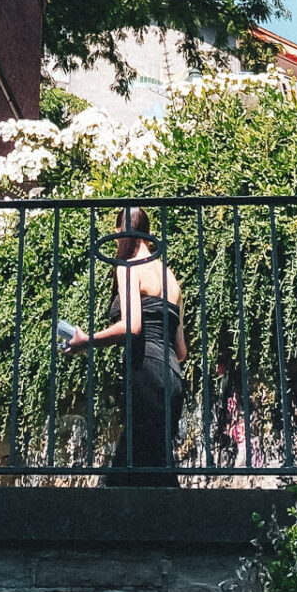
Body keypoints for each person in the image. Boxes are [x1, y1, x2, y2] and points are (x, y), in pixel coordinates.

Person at [64, 205, 187, 487]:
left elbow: (132, 326)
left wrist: (86, 341)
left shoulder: (128, 266)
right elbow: (181, 350)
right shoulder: (170, 277)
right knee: (153, 463)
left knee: (132, 465)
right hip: (172, 377)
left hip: (145, 372)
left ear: (122, 232)